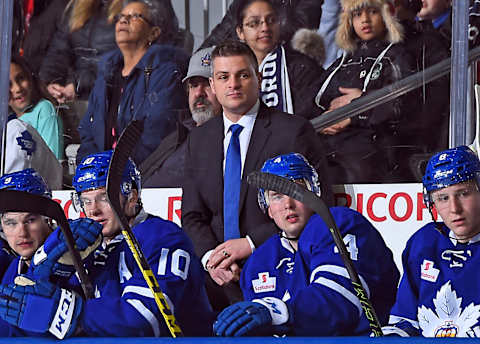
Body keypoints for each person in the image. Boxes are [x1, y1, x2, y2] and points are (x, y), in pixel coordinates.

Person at [181, 40, 332, 310]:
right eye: (223, 77)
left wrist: (250, 244)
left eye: (243, 75)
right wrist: (211, 260)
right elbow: (192, 215)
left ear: (258, 78)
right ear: (213, 85)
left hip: (278, 269)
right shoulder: (199, 139)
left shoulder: (293, 131)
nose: (233, 84)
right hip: (215, 279)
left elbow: (318, 203)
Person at [213, 153, 400, 336]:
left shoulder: (339, 223)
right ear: (268, 208)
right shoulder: (260, 262)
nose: (288, 204)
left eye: (297, 191)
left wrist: (276, 311)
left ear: (315, 195)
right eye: (277, 196)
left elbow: (339, 303)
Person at [70, 150, 212, 336]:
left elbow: (142, 321)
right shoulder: (93, 246)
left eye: (104, 198)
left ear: (132, 197)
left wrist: (71, 312)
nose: (93, 211)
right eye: (86, 201)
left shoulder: (162, 237)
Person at [315, 0, 418, 183]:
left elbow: (399, 103)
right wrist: (325, 119)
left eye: (372, 12)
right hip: (334, 142)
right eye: (357, 14)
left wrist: (353, 114)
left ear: (386, 15)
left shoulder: (396, 54)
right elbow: (317, 96)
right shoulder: (346, 59)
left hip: (375, 147)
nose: (365, 20)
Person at [383, 146, 480, 337]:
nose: (454, 208)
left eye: (463, 193)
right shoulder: (424, 243)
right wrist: (392, 337)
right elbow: (405, 320)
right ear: (431, 203)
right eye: (443, 198)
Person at [77, 0, 188, 165]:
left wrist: (118, 171)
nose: (123, 20)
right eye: (121, 17)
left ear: (154, 33)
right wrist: (93, 167)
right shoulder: (106, 75)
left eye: (135, 16)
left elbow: (156, 134)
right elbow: (88, 130)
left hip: (143, 174)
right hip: (104, 177)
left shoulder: (164, 72)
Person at [0, 168, 102, 338]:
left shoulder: (77, 248)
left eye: (30, 220)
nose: (22, 233)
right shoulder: (13, 266)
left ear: (48, 218)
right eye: (11, 223)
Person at [141, 46, 222, 187]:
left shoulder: (231, 141)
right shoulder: (178, 135)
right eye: (194, 85)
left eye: (208, 84)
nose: (199, 93)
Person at [235, 0, 325, 119]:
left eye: (271, 20)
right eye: (254, 23)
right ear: (240, 32)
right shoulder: (231, 72)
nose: (265, 28)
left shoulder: (303, 68)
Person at [199, 0, 323, 51]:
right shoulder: (243, 3)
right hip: (247, 61)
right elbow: (220, 35)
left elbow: (300, 26)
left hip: (288, 63)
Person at [9, 56, 64, 160]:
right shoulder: (7, 119)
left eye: (20, 78)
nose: (17, 89)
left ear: (30, 77)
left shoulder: (44, 109)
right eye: (9, 84)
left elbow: (51, 163)